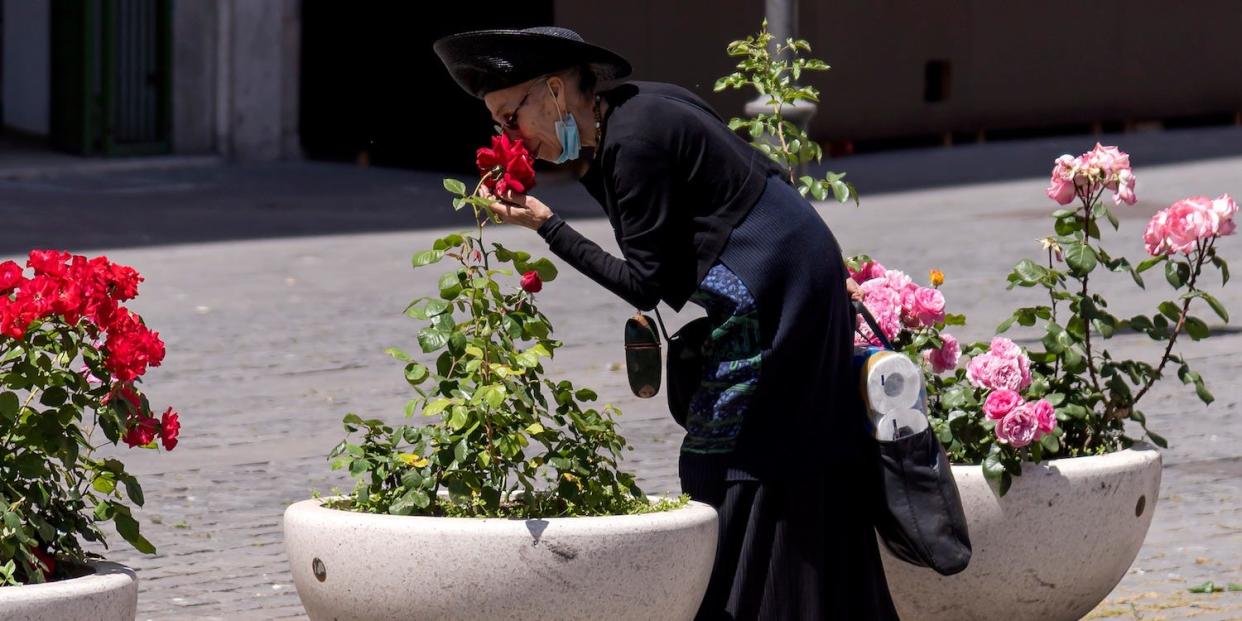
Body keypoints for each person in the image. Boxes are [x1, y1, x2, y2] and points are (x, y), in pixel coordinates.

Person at [435, 27, 899, 620]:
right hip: (796, 270)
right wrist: (829, 265)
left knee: (725, 453)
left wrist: (547, 227)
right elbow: (762, 170)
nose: (507, 135)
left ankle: (740, 607)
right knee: (783, 448)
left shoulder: (631, 145)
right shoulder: (633, 111)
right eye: (497, 124)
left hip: (775, 290)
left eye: (509, 115)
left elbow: (647, 283)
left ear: (554, 91)